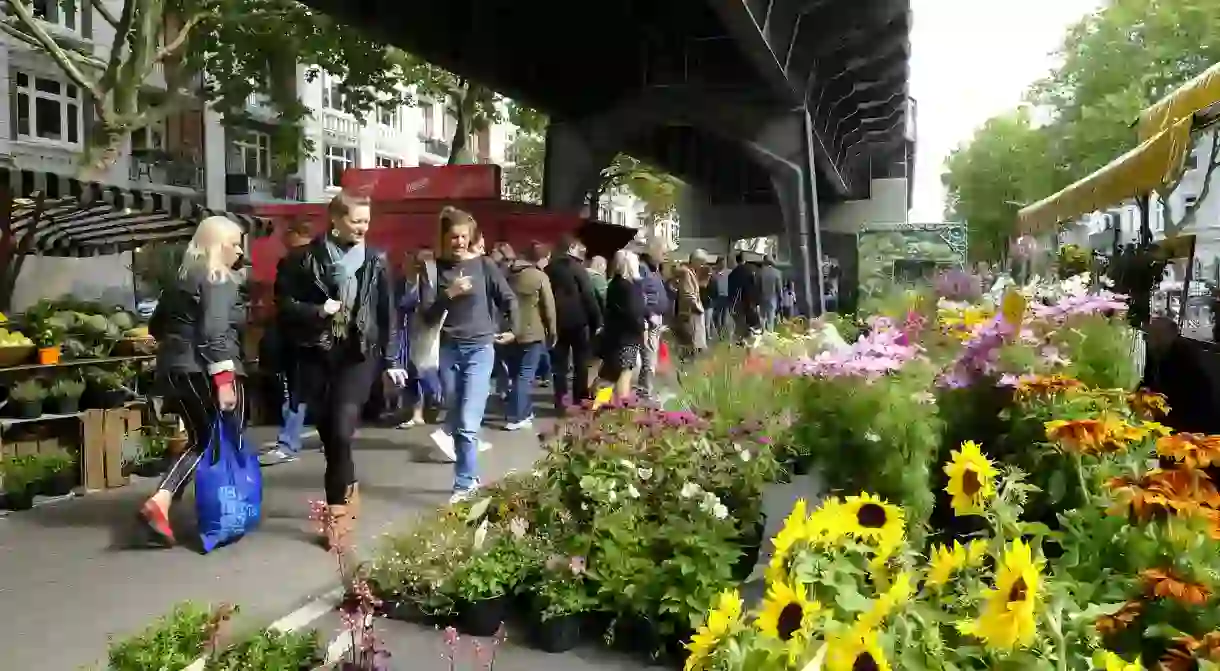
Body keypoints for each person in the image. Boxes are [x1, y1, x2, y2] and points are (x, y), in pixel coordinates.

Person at [275, 191, 407, 542]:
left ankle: (336, 515)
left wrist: (392, 360)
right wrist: (318, 311)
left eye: (367, 220)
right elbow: (284, 305)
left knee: (342, 430)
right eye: (356, 220)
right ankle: (346, 489)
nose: (363, 227)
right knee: (331, 438)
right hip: (316, 355)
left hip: (358, 355)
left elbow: (387, 313)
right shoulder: (302, 260)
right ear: (335, 219)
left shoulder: (375, 260)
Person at [139, 216, 249, 546]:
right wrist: (225, 379)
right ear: (218, 245)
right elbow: (214, 333)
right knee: (212, 440)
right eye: (234, 243)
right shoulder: (218, 277)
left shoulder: (180, 281)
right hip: (204, 369)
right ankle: (177, 503)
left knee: (200, 439)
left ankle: (165, 502)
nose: (240, 251)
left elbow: (155, 327)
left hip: (174, 370)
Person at [421, 206, 518, 503]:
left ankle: (464, 482)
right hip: (449, 349)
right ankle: (469, 473)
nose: (460, 242)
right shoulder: (434, 269)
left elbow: (508, 299)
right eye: (453, 237)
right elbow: (426, 315)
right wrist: (448, 294)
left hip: (479, 348)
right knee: (453, 409)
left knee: (466, 420)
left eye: (464, 236)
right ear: (443, 237)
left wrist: (513, 327)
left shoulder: (485, 265)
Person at [260, 219, 315, 465]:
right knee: (316, 389)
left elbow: (282, 300)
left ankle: (288, 442)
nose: (282, 240)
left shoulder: (290, 262)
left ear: (295, 234)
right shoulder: (324, 258)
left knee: (293, 390)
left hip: (294, 334)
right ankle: (333, 436)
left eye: (285, 234)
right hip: (321, 333)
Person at [545, 235, 602, 407]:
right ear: (571, 248)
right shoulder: (578, 269)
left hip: (557, 321)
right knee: (581, 362)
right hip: (579, 321)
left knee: (560, 364)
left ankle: (560, 399)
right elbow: (588, 296)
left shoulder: (548, 269)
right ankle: (579, 398)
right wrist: (597, 321)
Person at [505, 241, 556, 430]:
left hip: (511, 331)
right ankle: (516, 416)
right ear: (542, 259)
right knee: (525, 376)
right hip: (532, 332)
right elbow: (549, 308)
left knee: (517, 375)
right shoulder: (539, 277)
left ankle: (524, 412)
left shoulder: (509, 274)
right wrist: (552, 332)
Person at [394, 249, 443, 429]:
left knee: (427, 369)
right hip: (410, 332)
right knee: (414, 371)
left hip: (434, 332)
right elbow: (400, 304)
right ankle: (417, 412)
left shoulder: (438, 281)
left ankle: (436, 398)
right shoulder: (406, 282)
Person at [1142, 316, 1216, 433]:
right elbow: (1148, 383)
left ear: (1171, 335)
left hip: (1191, 423)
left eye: (1157, 335)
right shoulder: (1156, 352)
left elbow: (1179, 397)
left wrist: (1157, 414)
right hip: (1170, 416)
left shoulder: (1184, 357)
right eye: (1150, 334)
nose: (1150, 339)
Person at [599, 250, 648, 402]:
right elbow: (634, 313)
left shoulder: (613, 284)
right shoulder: (631, 287)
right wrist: (643, 328)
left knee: (610, 375)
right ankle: (620, 408)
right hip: (628, 337)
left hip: (613, 335)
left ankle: (599, 406)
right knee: (624, 374)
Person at [634, 251, 669, 402]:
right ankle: (644, 390)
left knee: (648, 358)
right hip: (651, 319)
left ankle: (644, 390)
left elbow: (643, 296)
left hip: (651, 319)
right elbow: (642, 296)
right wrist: (651, 315)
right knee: (648, 357)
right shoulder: (648, 273)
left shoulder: (647, 271)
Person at [673, 249, 709, 360]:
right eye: (701, 263)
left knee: (691, 341)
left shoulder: (690, 272)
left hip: (690, 312)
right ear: (695, 261)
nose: (702, 266)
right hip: (690, 313)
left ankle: (689, 363)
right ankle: (687, 366)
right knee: (691, 341)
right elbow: (688, 294)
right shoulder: (687, 273)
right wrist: (699, 308)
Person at [758, 255, 784, 332]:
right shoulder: (777, 272)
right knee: (770, 318)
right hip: (772, 299)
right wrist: (780, 298)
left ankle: (762, 332)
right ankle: (770, 332)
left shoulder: (759, 272)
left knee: (762, 317)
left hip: (762, 298)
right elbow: (779, 288)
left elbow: (757, 286)